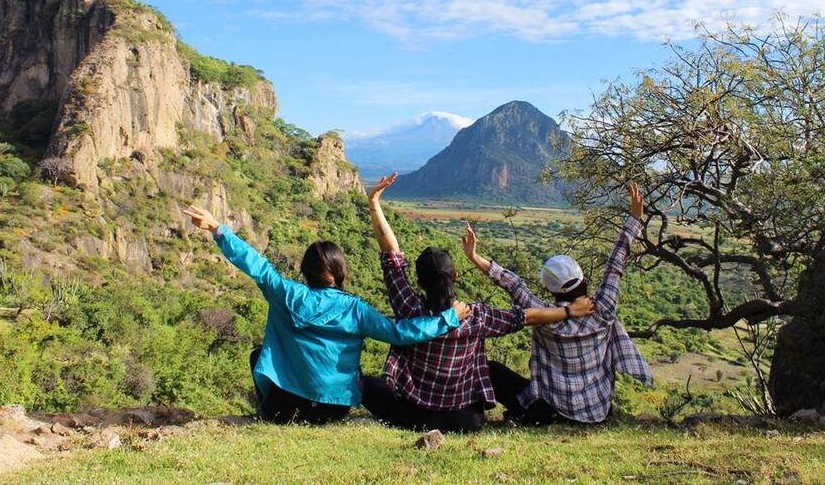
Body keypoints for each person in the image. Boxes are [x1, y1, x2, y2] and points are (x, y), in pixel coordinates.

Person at [182, 204, 470, 426]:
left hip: (283, 407)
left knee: (258, 355)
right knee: (373, 383)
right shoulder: (355, 309)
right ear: (340, 272)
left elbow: (255, 264)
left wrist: (218, 228)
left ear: (306, 271)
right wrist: (449, 318)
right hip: (334, 409)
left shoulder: (286, 294)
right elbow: (401, 333)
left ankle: (265, 410)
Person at [361, 174, 596, 433]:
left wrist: (374, 203)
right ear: (456, 276)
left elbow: (391, 254)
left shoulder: (408, 306)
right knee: (493, 369)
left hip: (415, 416)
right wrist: (568, 311)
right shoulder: (476, 317)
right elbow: (527, 316)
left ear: (418, 282)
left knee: (367, 385)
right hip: (465, 420)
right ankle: (534, 408)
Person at [467, 183, 654, 425]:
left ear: (549, 290)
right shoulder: (604, 309)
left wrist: (474, 257)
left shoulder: (545, 318)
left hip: (553, 410)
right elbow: (615, 262)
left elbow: (513, 284)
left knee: (491, 370)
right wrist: (634, 218)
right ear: (583, 278)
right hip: (596, 411)